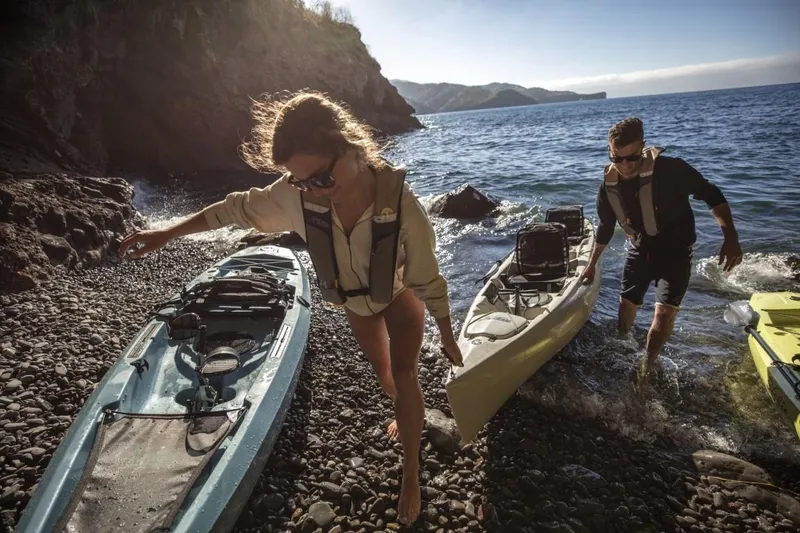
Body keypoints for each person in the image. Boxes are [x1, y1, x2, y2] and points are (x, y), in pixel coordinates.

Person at [118, 90, 464, 525]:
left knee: (406, 369)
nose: (313, 190)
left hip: (398, 293)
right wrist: (167, 233)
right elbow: (235, 210)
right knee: (384, 375)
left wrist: (448, 333)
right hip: (355, 302)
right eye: (302, 183)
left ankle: (412, 470)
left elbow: (429, 278)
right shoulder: (297, 195)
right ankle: (402, 408)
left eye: (320, 178)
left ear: (347, 144)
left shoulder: (402, 205)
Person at [582, 117, 743, 383]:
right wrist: (591, 264)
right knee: (626, 304)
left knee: (664, 312)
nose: (624, 166)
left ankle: (647, 367)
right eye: (616, 158)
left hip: (676, 253)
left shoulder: (672, 170)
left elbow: (712, 195)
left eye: (631, 158)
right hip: (640, 250)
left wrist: (731, 237)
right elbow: (606, 227)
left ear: (643, 148)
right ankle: (623, 344)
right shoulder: (608, 185)